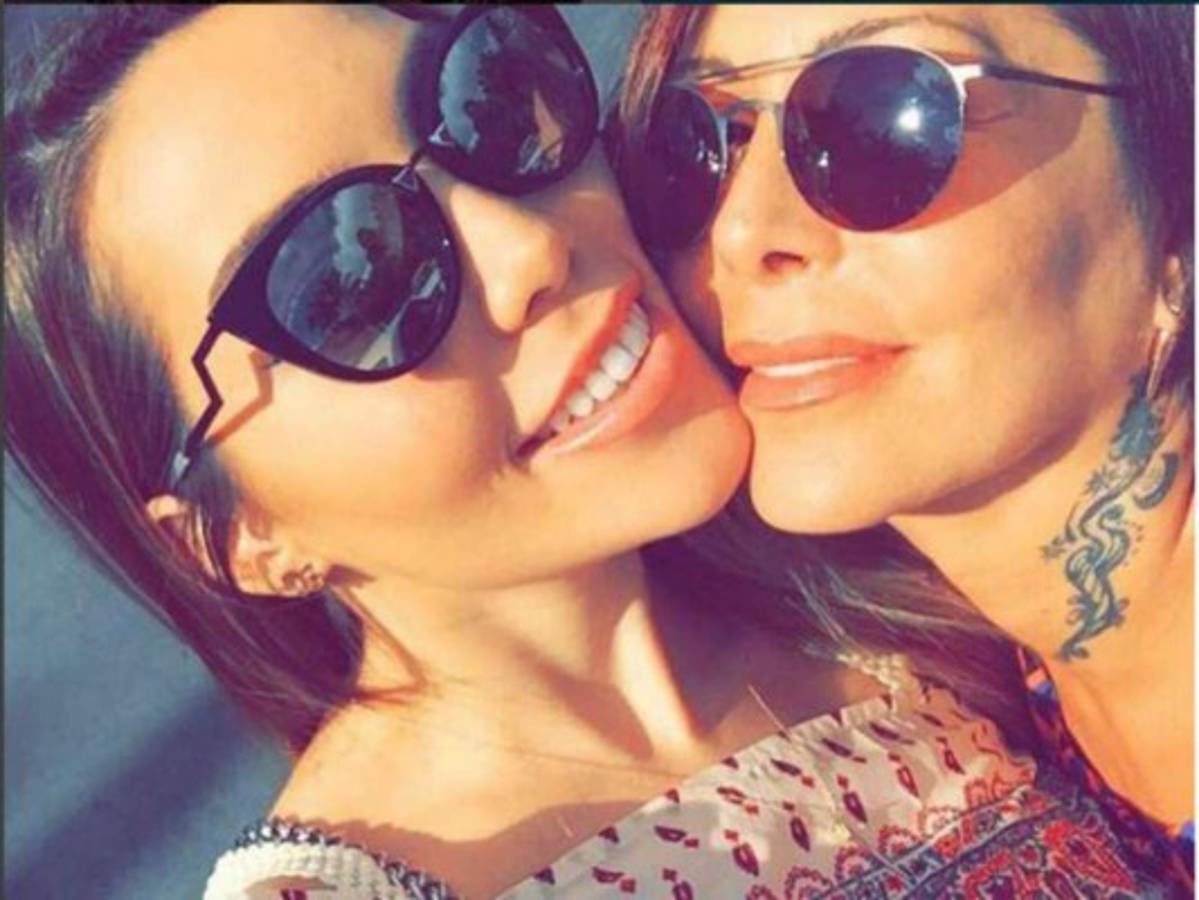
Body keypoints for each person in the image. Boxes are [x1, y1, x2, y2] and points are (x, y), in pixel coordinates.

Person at [4, 5, 1178, 898]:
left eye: (486, 108)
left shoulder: (900, 595)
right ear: (241, 536)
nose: (529, 248)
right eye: (345, 281)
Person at [610, 0, 1194, 889]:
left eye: (883, 113)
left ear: (1174, 213)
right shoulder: (969, 697)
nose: (742, 231)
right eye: (698, 143)